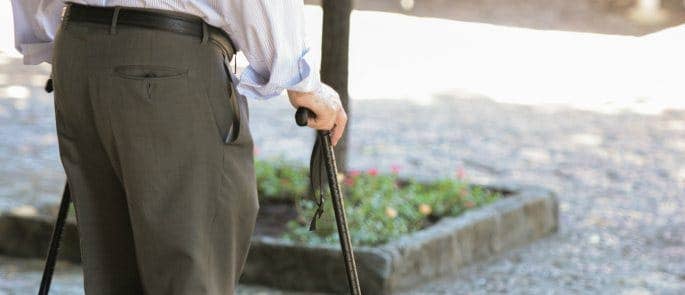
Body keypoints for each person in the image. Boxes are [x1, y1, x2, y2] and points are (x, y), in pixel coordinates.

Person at [10, 1, 348, 294]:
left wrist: (55, 40)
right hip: (166, 60)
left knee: (111, 271)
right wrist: (299, 80)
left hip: (79, 47)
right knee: (191, 271)